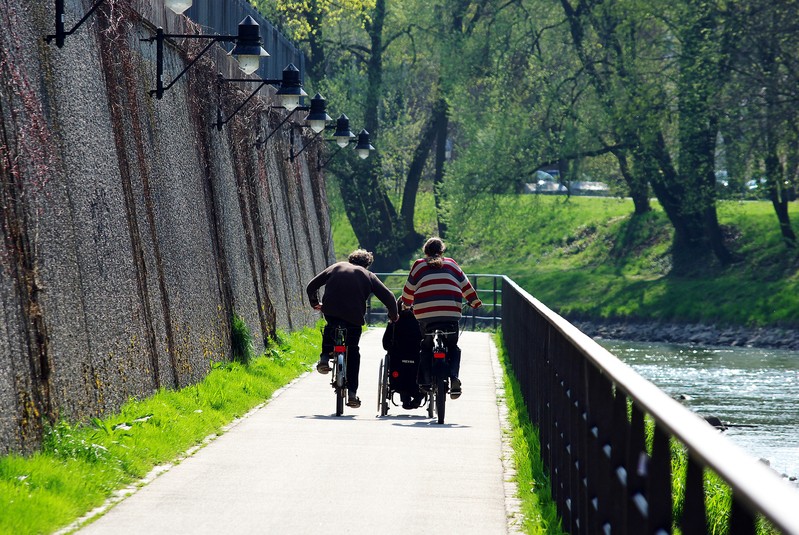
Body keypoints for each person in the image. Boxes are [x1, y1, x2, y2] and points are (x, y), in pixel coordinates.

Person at [306, 249, 399, 408]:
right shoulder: (368, 275)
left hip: (331, 310)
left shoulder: (336, 267)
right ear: (367, 264)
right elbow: (389, 297)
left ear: (350, 260)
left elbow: (311, 286)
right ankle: (352, 394)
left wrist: (315, 303)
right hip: (354, 317)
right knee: (353, 351)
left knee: (331, 326)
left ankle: (324, 358)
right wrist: (393, 315)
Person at [400, 237, 482, 399]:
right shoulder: (452, 263)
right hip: (450, 315)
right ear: (442, 250)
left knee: (425, 347)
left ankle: (425, 380)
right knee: (453, 348)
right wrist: (474, 302)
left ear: (425, 251)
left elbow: (408, 291)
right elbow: (466, 286)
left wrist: (406, 305)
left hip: (426, 316)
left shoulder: (418, 265)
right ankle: (453, 377)